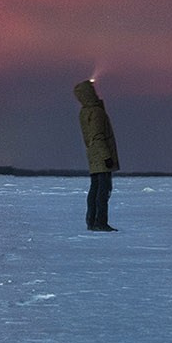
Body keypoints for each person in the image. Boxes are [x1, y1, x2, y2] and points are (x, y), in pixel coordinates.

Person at [74, 80, 120, 231]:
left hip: (93, 156)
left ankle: (92, 221)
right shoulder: (96, 112)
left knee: (95, 188)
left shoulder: (84, 112)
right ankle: (100, 222)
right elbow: (98, 136)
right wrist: (106, 157)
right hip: (100, 157)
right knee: (103, 189)